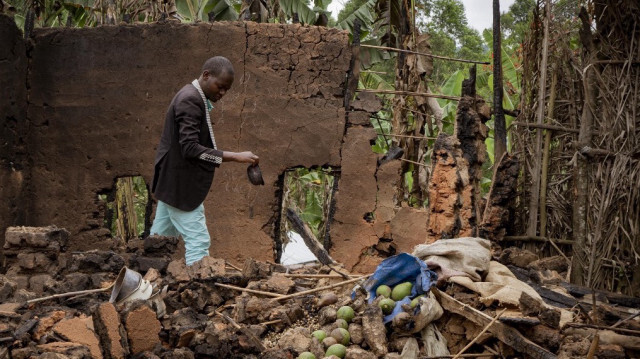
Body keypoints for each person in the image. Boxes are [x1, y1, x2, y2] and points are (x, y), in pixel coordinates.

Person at [150, 56, 258, 265]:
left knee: (158, 242)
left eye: (226, 89)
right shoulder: (190, 100)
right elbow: (189, 148)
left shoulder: (194, 97)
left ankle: (142, 282)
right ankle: (196, 288)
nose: (222, 93)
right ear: (206, 75)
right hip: (180, 184)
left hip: (171, 181)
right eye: (220, 86)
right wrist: (235, 156)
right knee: (198, 241)